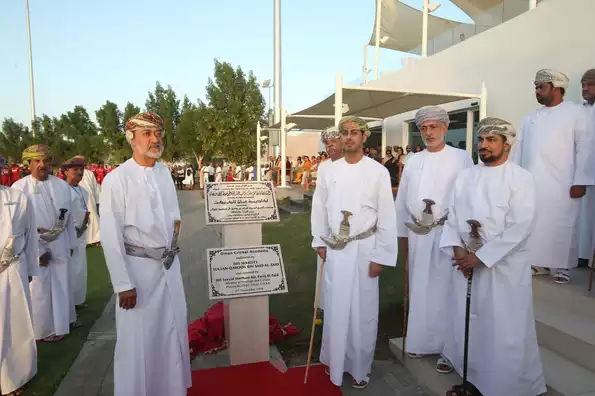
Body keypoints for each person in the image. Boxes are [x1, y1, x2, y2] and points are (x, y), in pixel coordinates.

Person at [440, 117, 546, 396]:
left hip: (504, 269)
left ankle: (503, 386)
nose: (483, 145)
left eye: (491, 140)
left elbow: (520, 226)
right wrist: (459, 251)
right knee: (471, 323)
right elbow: (452, 217)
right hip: (466, 264)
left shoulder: (521, 179)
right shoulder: (466, 176)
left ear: (507, 144)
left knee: (502, 327)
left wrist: (481, 258)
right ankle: (472, 380)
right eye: (481, 139)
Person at [99, 112, 191, 396]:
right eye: (147, 134)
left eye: (158, 133)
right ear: (132, 139)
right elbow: (110, 236)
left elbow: (173, 218)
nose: (155, 139)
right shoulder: (117, 179)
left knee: (171, 331)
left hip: (168, 267)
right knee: (138, 339)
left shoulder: (163, 172)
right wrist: (123, 284)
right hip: (137, 274)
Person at [311, 116, 397, 389]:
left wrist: (381, 255)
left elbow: (387, 215)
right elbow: (319, 207)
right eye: (344, 133)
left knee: (362, 311)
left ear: (364, 137)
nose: (348, 137)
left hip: (365, 249)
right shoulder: (330, 171)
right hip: (336, 249)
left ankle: (360, 368)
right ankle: (335, 363)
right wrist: (319, 241)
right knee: (336, 307)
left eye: (354, 133)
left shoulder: (377, 172)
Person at [395, 106, 473, 373]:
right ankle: (420, 341)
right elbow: (402, 200)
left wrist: (463, 239)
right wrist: (402, 238)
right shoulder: (413, 160)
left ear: (445, 128)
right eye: (424, 128)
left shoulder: (461, 158)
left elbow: (468, 197)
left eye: (434, 127)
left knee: (448, 290)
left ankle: (448, 350)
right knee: (420, 287)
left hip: (449, 234)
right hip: (419, 235)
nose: (429, 133)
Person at [512, 69, 592, 284]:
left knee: (562, 224)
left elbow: (585, 149)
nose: (537, 91)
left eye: (541, 87)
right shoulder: (531, 117)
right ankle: (537, 263)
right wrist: (515, 178)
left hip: (564, 183)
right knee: (535, 223)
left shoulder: (576, 113)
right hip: (533, 181)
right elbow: (519, 149)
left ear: (557, 88)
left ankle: (562, 267)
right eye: (536, 87)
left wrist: (580, 180)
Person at [12, 144, 77, 343]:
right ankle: (42, 330)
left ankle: (63, 323)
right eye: (37, 161)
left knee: (62, 283)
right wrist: (36, 252)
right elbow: (19, 226)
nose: (42, 164)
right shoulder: (19, 189)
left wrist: (70, 243)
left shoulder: (61, 185)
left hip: (60, 242)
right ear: (28, 164)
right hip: (35, 244)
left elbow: (70, 216)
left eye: (46, 160)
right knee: (39, 288)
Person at [0, 154, 38, 396]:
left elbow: (30, 236)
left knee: (14, 323)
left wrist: (31, 270)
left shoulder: (17, 197)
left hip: (12, 268)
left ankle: (14, 377)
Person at [63, 157, 90, 311]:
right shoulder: (62, 190)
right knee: (71, 270)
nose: (79, 173)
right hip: (68, 234)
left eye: (81, 170)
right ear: (65, 172)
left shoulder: (82, 190)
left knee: (81, 269)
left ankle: (79, 300)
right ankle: (70, 303)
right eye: (75, 170)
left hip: (81, 233)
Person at [578, 69, 595, 266]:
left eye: (589, 84)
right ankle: (583, 257)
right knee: (583, 220)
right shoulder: (579, 111)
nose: (585, 88)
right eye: (583, 85)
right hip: (581, 176)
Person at [79, 160, 101, 246]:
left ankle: (96, 238)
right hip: (78, 197)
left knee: (93, 216)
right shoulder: (72, 172)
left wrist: (97, 199)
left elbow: (95, 187)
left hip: (90, 197)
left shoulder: (89, 173)